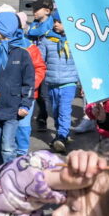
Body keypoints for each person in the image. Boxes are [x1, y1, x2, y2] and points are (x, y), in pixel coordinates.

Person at [0, 13, 34, 165]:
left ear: (5, 29)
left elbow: (29, 82)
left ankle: (10, 173)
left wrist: (25, 104)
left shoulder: (22, 53)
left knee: (7, 147)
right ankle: (0, 172)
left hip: (13, 108)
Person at [38, 10, 78, 153]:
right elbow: (40, 59)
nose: (56, 24)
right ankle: (60, 135)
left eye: (60, 22)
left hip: (69, 82)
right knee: (54, 111)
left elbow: (82, 62)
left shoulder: (75, 39)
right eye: (54, 21)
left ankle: (62, 135)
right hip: (52, 82)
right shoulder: (47, 39)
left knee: (64, 110)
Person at [26, 0, 55, 132]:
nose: (34, 12)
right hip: (34, 62)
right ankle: (40, 115)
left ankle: (43, 118)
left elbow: (37, 33)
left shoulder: (51, 25)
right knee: (36, 92)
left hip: (47, 64)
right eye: (33, 9)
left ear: (47, 11)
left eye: (37, 9)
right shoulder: (35, 23)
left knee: (44, 94)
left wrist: (30, 31)